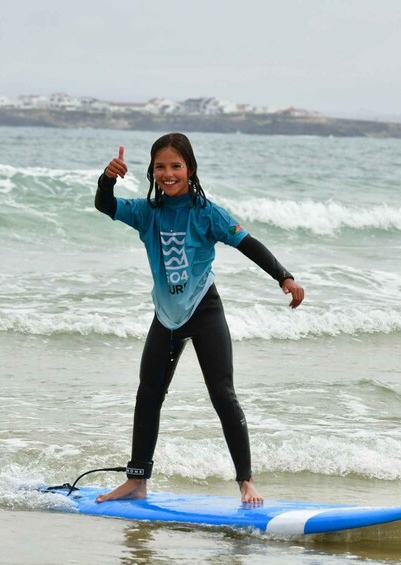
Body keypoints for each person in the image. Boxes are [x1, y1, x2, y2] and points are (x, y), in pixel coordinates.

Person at [94, 133, 304, 504]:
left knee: (222, 393)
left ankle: (246, 481)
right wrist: (107, 178)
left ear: (190, 170)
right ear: (152, 171)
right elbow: (104, 206)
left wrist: (283, 276)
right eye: (161, 167)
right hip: (167, 314)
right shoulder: (148, 213)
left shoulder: (208, 213)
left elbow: (248, 244)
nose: (168, 173)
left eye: (176, 166)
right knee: (148, 395)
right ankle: (137, 480)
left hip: (204, 309)